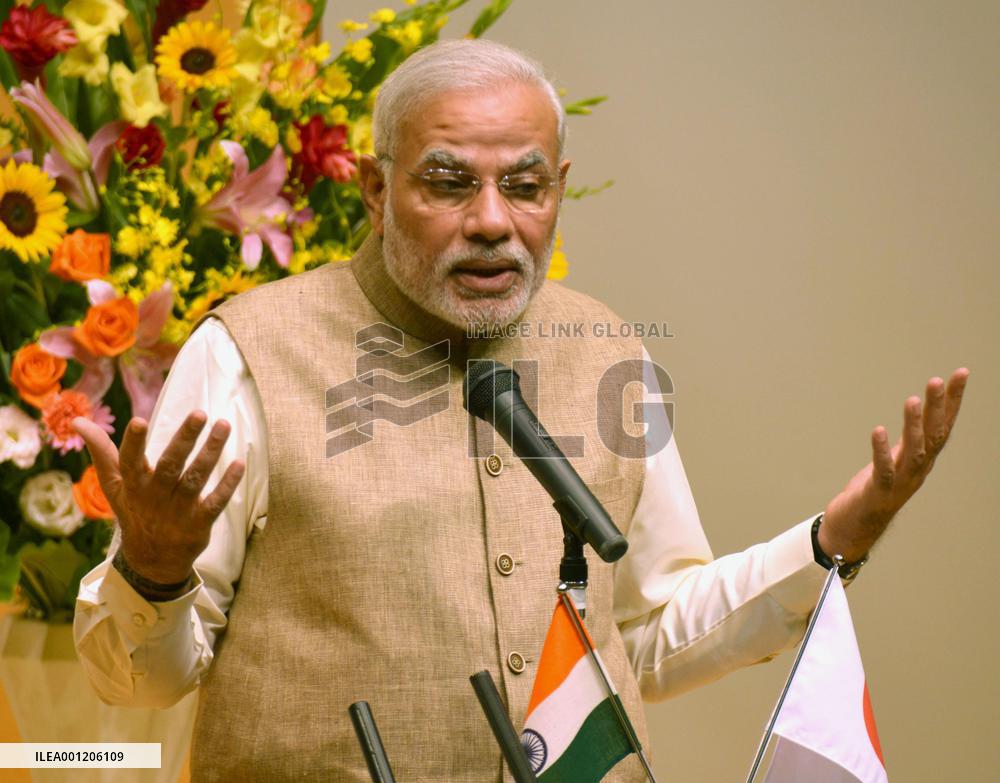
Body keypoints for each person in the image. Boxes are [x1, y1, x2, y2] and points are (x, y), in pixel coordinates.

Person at [71, 40, 967, 782]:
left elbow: (648, 632)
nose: (493, 221)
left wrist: (833, 540)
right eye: (449, 183)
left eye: (525, 187)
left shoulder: (609, 352)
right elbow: (138, 684)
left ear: (559, 189)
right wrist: (153, 571)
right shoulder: (246, 354)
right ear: (377, 191)